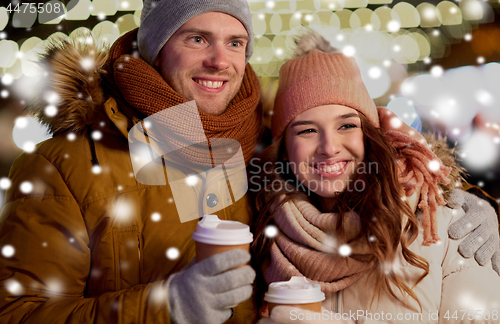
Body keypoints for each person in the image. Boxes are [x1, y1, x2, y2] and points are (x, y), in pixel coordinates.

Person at [0, 0, 261, 323]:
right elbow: (18, 314)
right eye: (197, 39)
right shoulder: (59, 166)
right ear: (156, 49)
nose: (220, 61)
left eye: (235, 43)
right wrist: (167, 306)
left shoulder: (258, 151)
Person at [251, 31, 500, 323]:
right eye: (307, 130)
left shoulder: (447, 225)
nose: (329, 148)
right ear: (284, 151)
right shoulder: (264, 232)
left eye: (346, 126)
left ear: (370, 136)